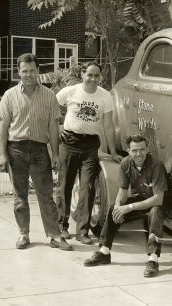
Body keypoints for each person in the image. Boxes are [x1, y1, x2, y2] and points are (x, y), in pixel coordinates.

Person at [0, 53, 72, 251]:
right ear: (18, 73)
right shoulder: (9, 95)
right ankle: (23, 234)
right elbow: (3, 126)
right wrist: (3, 154)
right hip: (16, 150)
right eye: (24, 71)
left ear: (38, 71)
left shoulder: (49, 96)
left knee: (46, 195)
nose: (28, 74)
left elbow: (53, 128)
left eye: (32, 70)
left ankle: (55, 235)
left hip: (39, 150)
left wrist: (55, 154)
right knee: (20, 196)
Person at [83, 134, 169, 278]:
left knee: (155, 212)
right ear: (128, 150)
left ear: (147, 149)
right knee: (113, 208)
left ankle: (153, 259)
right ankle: (104, 251)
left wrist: (129, 208)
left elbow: (158, 199)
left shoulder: (156, 165)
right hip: (142, 198)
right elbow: (122, 192)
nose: (139, 154)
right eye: (134, 150)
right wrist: (118, 207)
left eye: (142, 149)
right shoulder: (125, 163)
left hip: (161, 202)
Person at [55, 61, 122, 245]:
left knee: (87, 188)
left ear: (100, 77)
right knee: (64, 186)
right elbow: (51, 106)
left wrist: (113, 151)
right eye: (89, 75)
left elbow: (108, 126)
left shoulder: (105, 96)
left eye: (96, 76)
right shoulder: (71, 91)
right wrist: (58, 126)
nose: (93, 79)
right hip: (69, 143)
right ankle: (61, 227)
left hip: (91, 146)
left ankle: (82, 232)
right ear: (83, 74)